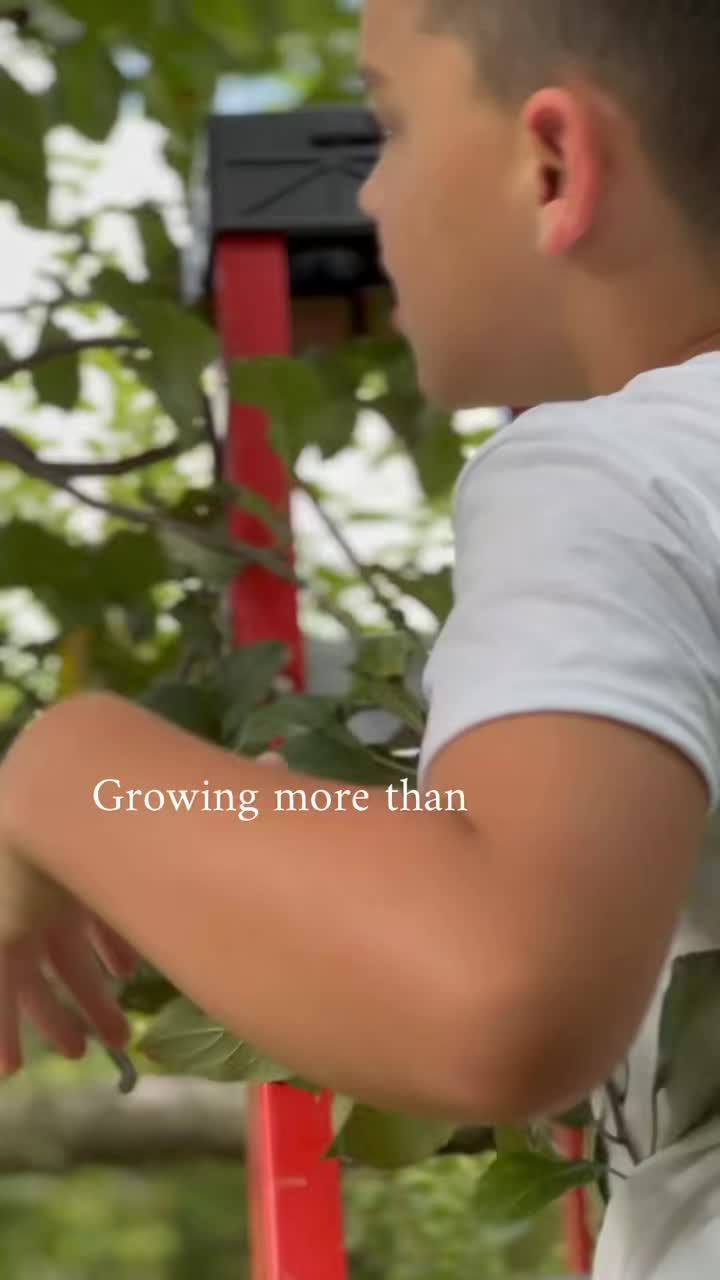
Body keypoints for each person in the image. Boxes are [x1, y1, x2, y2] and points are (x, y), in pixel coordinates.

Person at [2, 1, 720, 1273]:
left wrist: (71, 771)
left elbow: (499, 985)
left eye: (387, 121)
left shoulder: (616, 472)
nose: (374, 190)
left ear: (553, 167)